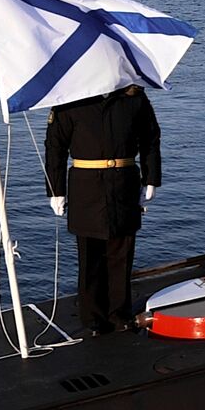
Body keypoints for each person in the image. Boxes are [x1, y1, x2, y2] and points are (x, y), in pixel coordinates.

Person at [45, 86, 161, 336]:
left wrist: (151, 178)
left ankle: (119, 314)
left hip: (124, 182)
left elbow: (150, 138)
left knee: (122, 252)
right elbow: (55, 146)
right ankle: (93, 317)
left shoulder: (133, 97)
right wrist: (56, 190)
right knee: (90, 256)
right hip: (86, 185)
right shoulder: (71, 99)